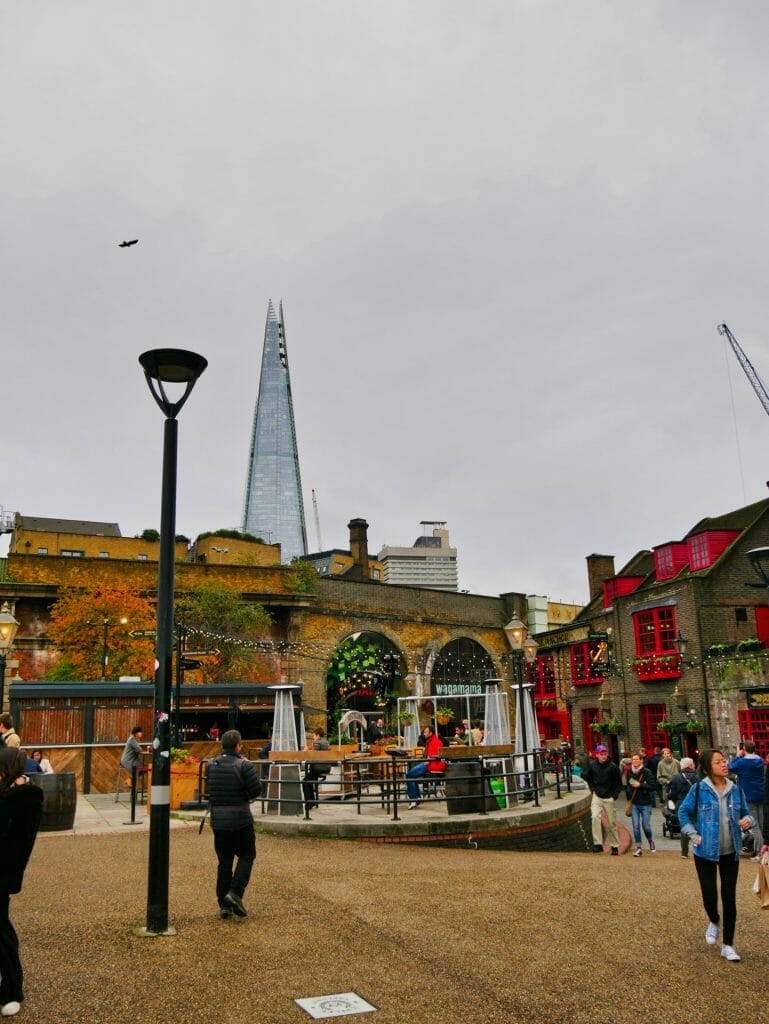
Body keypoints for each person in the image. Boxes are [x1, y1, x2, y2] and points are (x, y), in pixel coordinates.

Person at [678, 748, 754, 963]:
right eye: (719, 762)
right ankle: (714, 919)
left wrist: (748, 820)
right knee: (709, 895)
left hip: (731, 851)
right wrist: (693, 834)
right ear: (708, 767)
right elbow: (683, 812)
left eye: (724, 761)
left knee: (729, 898)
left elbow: (747, 813)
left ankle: (728, 945)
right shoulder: (699, 789)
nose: (724, 764)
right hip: (705, 851)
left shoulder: (736, 790)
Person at [0, 746, 44, 1016]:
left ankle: (13, 990)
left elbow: (14, 843)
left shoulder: (23, 798)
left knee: (1, 932)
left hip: (2, 872)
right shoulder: (10, 794)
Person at [206, 729, 263, 919]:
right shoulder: (244, 765)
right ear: (238, 745)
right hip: (240, 819)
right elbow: (256, 790)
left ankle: (224, 904)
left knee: (224, 861)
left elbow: (211, 790)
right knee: (247, 855)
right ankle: (235, 893)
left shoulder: (211, 765)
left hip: (218, 821)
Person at [728, 740, 765, 859]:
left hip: (748, 795)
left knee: (755, 825)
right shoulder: (760, 761)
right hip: (761, 794)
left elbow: (731, 767)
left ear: (744, 750)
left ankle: (760, 852)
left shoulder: (743, 762)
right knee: (762, 824)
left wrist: (738, 755)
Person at [583, 745, 622, 855]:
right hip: (597, 797)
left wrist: (615, 795)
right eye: (601, 754)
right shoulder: (592, 766)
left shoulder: (613, 767)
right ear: (597, 755)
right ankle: (598, 844)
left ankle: (614, 846)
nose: (604, 756)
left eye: (605, 754)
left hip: (609, 797)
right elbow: (588, 778)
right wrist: (592, 789)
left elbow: (618, 783)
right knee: (595, 817)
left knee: (611, 823)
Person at [405, 725, 446, 809]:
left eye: (425, 732)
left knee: (409, 775)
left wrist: (427, 761)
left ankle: (414, 798)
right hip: (430, 763)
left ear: (431, 733)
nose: (424, 733)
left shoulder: (435, 741)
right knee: (411, 775)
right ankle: (416, 798)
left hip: (432, 765)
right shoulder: (431, 740)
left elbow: (437, 755)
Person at [626, 753, 657, 856]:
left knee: (646, 825)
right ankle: (638, 847)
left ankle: (650, 840)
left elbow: (653, 786)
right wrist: (628, 797)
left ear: (641, 761)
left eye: (636, 759)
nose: (634, 761)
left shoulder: (647, 772)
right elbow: (628, 785)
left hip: (645, 803)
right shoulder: (630, 772)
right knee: (635, 826)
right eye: (633, 760)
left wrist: (640, 785)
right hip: (634, 803)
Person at [669, 757, 697, 858]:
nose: (694, 765)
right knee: (695, 826)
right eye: (693, 764)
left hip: (681, 804)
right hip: (694, 804)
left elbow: (672, 794)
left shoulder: (676, 778)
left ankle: (684, 852)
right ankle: (697, 850)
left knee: (684, 827)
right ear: (690, 765)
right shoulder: (696, 778)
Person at [302, 728, 331, 809]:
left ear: (317, 735)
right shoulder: (326, 742)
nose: (313, 737)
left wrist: (306, 751)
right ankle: (312, 801)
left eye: (314, 736)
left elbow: (313, 756)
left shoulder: (317, 742)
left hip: (318, 768)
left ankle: (309, 803)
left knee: (305, 782)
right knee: (309, 781)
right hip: (326, 767)